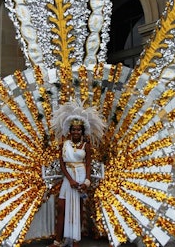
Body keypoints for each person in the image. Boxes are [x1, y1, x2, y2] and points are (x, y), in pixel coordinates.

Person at [49, 102, 105, 247]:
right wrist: (70, 180)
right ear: (70, 130)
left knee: (78, 209)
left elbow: (88, 164)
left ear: (82, 131)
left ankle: (75, 240)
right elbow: (62, 164)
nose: (75, 132)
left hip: (80, 177)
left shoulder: (86, 146)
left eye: (78, 130)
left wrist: (86, 181)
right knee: (61, 208)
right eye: (73, 129)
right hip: (68, 178)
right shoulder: (64, 145)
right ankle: (57, 240)